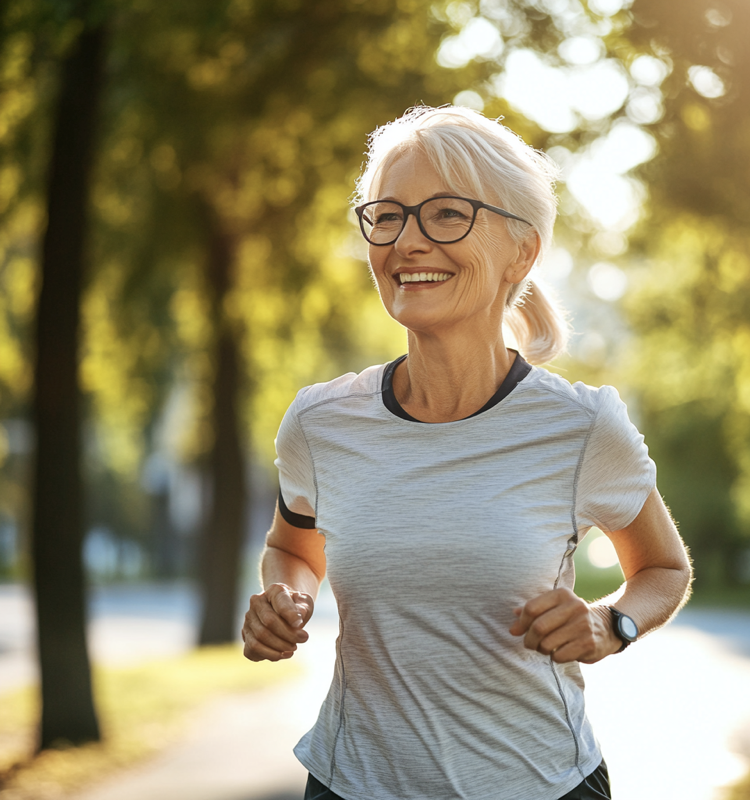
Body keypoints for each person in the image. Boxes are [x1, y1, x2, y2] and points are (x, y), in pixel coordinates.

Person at [242, 105, 693, 800]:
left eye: (446, 214)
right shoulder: (320, 422)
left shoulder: (579, 426)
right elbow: (296, 550)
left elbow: (663, 568)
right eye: (387, 215)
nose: (408, 242)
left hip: (541, 784)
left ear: (523, 249)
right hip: (352, 783)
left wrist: (611, 623)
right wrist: (284, 597)